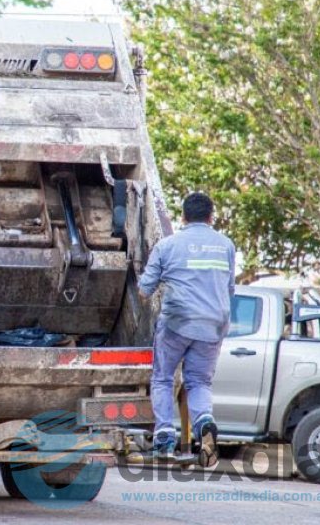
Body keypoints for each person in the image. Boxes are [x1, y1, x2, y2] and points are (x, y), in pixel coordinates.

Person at [138, 192, 235, 466]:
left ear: (183, 217)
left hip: (177, 324)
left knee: (163, 377)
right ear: (211, 217)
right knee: (199, 382)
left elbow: (145, 292)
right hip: (214, 324)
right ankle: (204, 421)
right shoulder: (225, 245)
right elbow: (229, 290)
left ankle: (165, 438)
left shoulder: (167, 246)